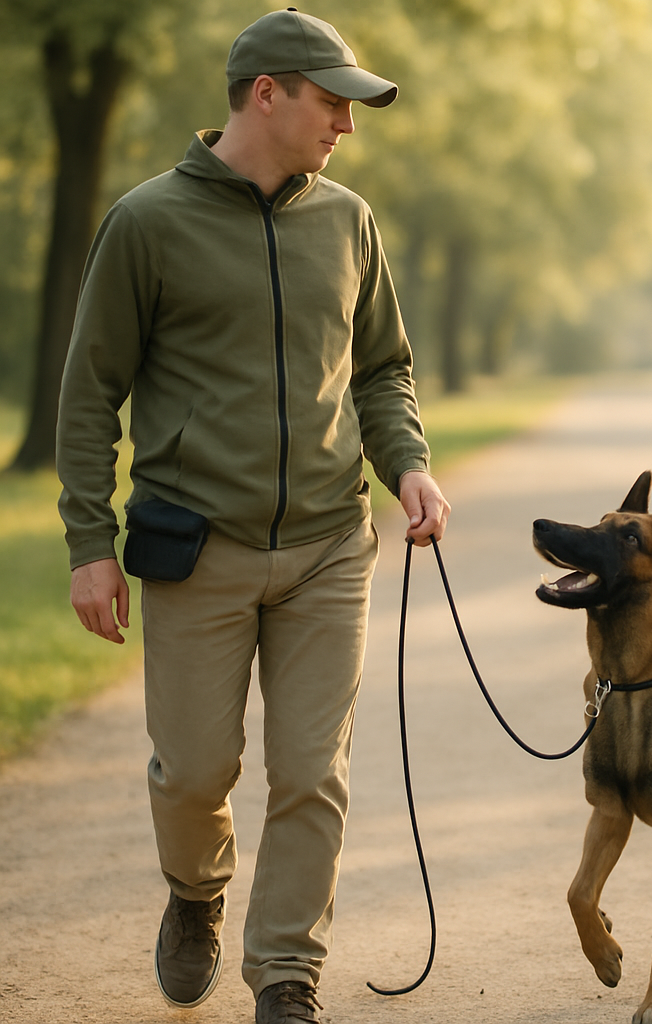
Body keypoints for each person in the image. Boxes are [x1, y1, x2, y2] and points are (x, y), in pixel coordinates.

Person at [55, 9, 450, 1023]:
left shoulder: (348, 221)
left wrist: (407, 465)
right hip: (198, 548)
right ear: (264, 92)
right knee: (194, 773)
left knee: (312, 772)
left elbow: (382, 370)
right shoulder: (146, 222)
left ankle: (286, 973)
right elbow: (91, 391)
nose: (346, 128)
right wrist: (91, 546)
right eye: (332, 103)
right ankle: (196, 893)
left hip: (328, 544)